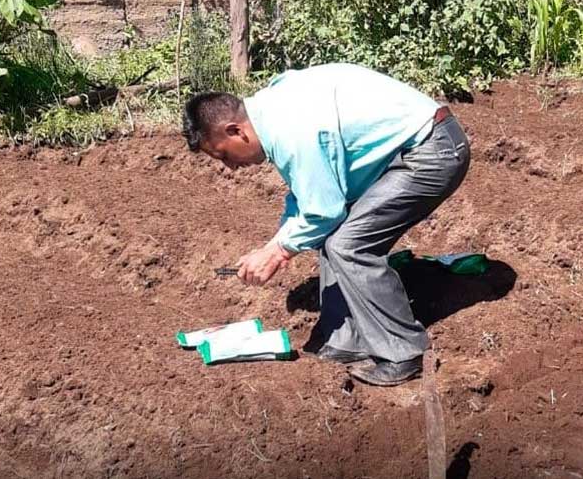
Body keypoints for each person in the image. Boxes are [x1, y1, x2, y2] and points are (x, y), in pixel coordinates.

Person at [182, 63, 471, 386]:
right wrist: (272, 246)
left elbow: (323, 211)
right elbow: (307, 197)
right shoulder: (273, 110)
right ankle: (345, 340)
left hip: (433, 152)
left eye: (224, 155)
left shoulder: (290, 129)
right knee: (334, 235)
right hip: (409, 150)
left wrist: (278, 252)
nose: (232, 167)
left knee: (348, 245)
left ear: (236, 131)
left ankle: (404, 352)